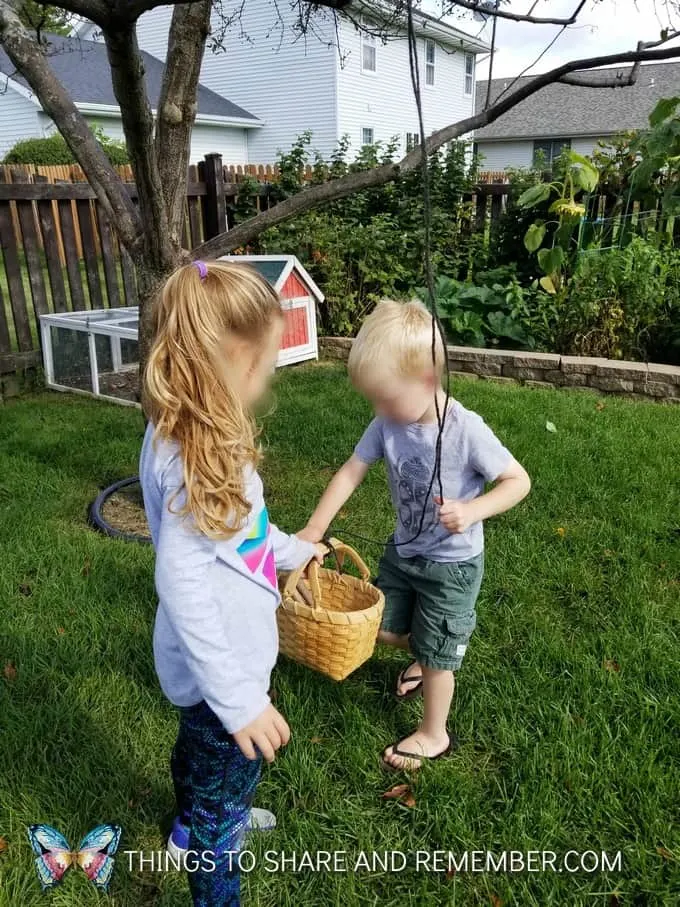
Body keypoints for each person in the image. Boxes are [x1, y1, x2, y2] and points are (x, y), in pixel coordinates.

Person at [140, 260, 325, 905]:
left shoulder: (194, 436)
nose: (272, 374)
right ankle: (214, 865)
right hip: (224, 668)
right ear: (231, 364)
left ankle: (191, 825)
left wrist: (294, 548)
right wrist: (240, 698)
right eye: (267, 361)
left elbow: (243, 534)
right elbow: (182, 583)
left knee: (200, 756)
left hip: (208, 669)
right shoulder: (197, 459)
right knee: (226, 767)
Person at [298, 299, 531, 771]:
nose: (378, 409)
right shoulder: (388, 421)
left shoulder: (467, 430)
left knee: (439, 654)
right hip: (403, 551)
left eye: (385, 398)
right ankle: (426, 653)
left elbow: (518, 481)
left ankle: (434, 732)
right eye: (374, 400)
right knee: (381, 628)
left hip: (453, 565)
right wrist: (315, 528)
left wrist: (472, 509)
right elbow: (352, 469)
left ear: (426, 382)